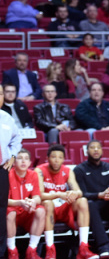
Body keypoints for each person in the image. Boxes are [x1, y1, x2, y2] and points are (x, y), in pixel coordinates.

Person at [36, 145, 97, 259]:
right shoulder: (39, 171)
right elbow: (39, 195)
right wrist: (59, 194)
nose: (56, 160)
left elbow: (79, 191)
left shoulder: (68, 171)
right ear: (47, 158)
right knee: (48, 203)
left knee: (82, 201)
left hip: (63, 208)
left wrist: (73, 194)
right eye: (53, 157)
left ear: (64, 159)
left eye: (60, 157)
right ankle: (50, 249)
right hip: (47, 209)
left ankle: (83, 248)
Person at [73, 141, 109, 258]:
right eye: (92, 148)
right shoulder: (79, 170)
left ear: (102, 151)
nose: (96, 150)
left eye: (98, 147)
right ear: (86, 151)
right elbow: (82, 194)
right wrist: (99, 195)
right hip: (91, 208)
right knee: (89, 204)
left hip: (107, 205)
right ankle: (104, 246)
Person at [7, 149, 45, 259]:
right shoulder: (8, 175)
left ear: (29, 163)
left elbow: (37, 197)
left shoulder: (33, 174)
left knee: (41, 210)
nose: (23, 161)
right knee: (11, 212)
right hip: (11, 211)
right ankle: (12, 251)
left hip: (25, 211)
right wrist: (20, 202)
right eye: (19, 158)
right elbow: (3, 201)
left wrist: (33, 201)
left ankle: (32, 250)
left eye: (26, 159)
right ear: (14, 162)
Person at [0, 84, 22, 259]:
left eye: (0, 94)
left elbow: (16, 139)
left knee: (1, 211)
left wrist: (13, 156)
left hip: (1, 171)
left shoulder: (7, 119)